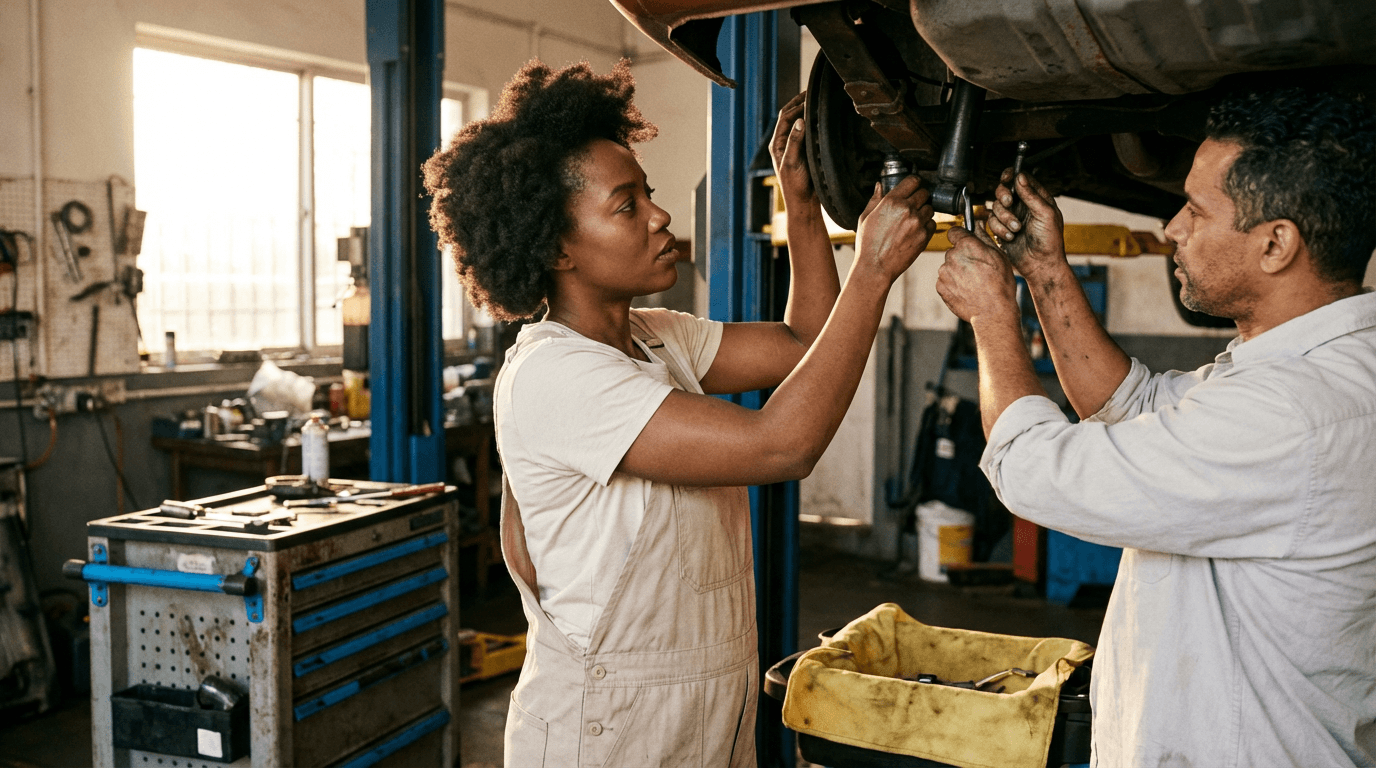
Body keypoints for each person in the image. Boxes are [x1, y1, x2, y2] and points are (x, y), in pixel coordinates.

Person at [423, 60, 935, 766]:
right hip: (608, 730)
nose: (660, 215)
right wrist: (873, 271)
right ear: (555, 247)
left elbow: (801, 343)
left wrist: (803, 209)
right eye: (626, 205)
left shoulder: (654, 336)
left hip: (703, 705)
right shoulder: (555, 375)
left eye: (649, 194)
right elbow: (779, 446)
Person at [933, 86, 1376, 766]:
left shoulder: (1293, 412)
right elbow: (1137, 408)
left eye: (1197, 210)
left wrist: (992, 315)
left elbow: (1032, 469)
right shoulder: (1324, 370)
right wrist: (1042, 268)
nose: (1172, 227)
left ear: (1277, 244)